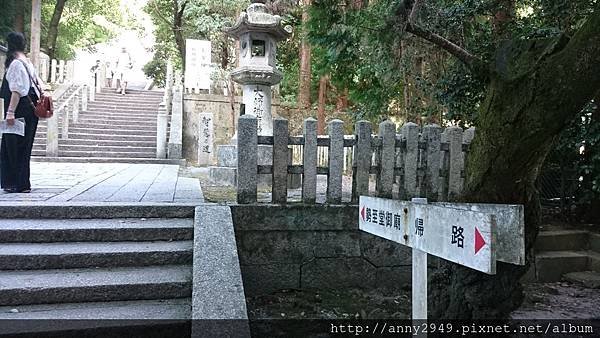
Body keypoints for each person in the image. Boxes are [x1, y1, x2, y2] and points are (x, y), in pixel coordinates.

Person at [0, 32, 41, 193]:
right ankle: (22, 183)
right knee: (23, 147)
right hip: (29, 110)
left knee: (12, 145)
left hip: (19, 109)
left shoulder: (16, 63)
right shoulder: (27, 62)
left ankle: (13, 183)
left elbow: (16, 90)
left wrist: (10, 112)